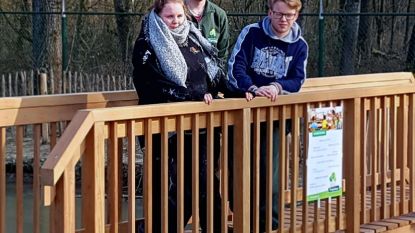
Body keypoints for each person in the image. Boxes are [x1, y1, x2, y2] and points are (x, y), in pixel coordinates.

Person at [131, 0, 243, 232]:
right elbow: (150, 84)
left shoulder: (193, 39)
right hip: (165, 129)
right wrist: (189, 97)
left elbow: (213, 74)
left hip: (199, 125)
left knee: (203, 182)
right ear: (157, 15)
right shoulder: (147, 44)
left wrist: (239, 92)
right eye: (169, 17)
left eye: (180, 16)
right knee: (173, 187)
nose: (176, 22)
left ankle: (215, 226)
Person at [227, 0, 308, 231]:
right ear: (270, 12)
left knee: (270, 172)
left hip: (275, 117)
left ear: (296, 15)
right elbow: (235, 67)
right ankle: (241, 218)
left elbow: (297, 80)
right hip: (244, 111)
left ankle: (268, 225)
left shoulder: (299, 45)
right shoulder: (251, 33)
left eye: (290, 15)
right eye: (279, 14)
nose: (283, 20)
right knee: (239, 168)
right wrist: (251, 88)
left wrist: (275, 87)